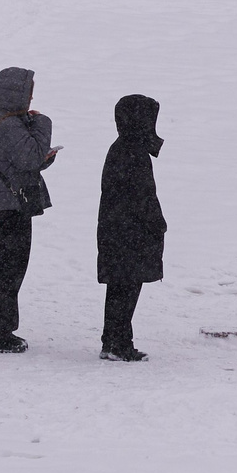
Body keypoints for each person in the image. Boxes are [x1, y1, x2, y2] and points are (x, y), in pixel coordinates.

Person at [0, 66, 54, 354]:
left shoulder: (7, 122)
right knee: (7, 271)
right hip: (7, 209)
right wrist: (43, 124)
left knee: (5, 270)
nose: (32, 96)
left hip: (3, 208)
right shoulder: (9, 125)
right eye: (28, 90)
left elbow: (22, 161)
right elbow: (29, 157)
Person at [96, 94, 167, 362]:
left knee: (120, 287)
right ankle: (117, 343)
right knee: (124, 288)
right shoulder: (131, 152)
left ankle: (115, 341)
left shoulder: (125, 148)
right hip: (128, 234)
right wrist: (157, 223)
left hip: (121, 232)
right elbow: (140, 197)